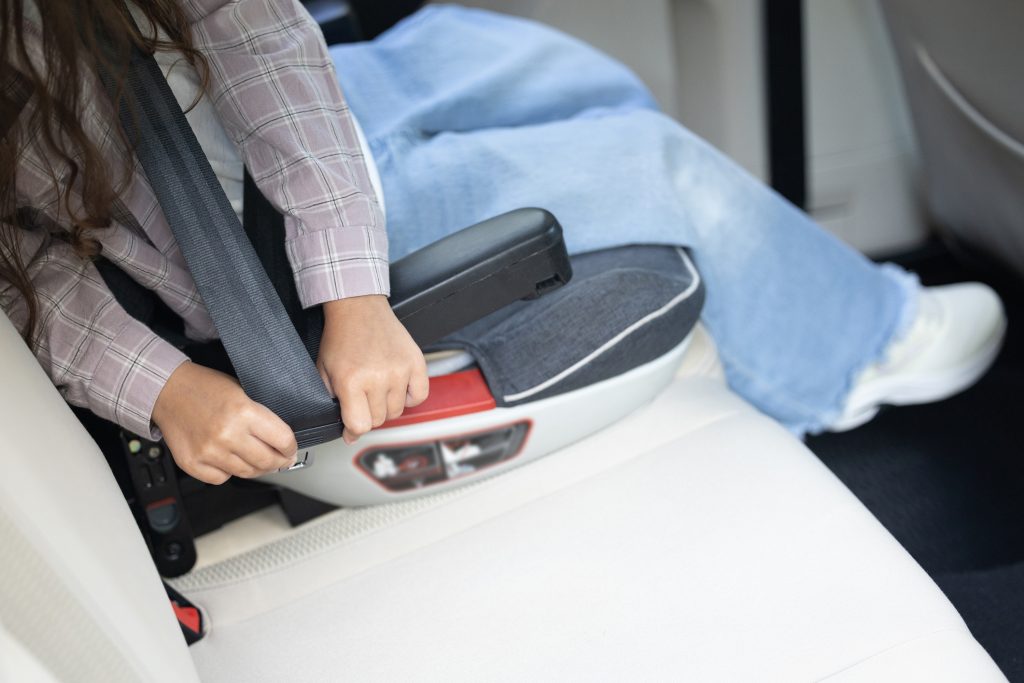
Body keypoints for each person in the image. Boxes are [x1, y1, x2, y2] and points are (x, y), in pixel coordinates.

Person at [0, 1, 1005, 485]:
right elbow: (19, 271)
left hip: (308, 121)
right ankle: (861, 345)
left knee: (558, 71)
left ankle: (761, 311)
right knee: (659, 165)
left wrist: (354, 288)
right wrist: (170, 386)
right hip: (237, 258)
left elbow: (262, 47)